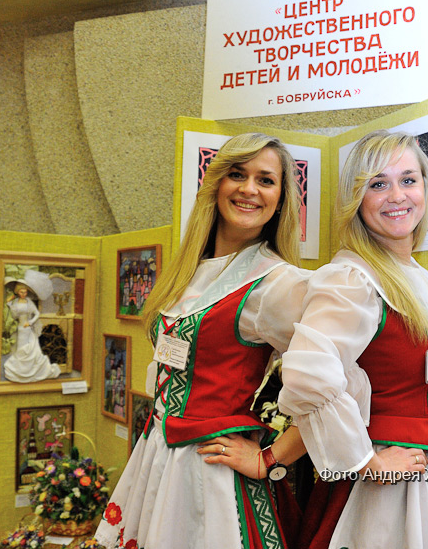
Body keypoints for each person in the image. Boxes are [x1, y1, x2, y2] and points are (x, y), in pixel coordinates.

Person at [279, 131, 428, 549]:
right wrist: (367, 462)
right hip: (389, 488)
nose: (397, 195)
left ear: (425, 189)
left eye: (408, 180)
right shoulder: (352, 279)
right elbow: (306, 376)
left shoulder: (418, 277)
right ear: (356, 198)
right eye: (378, 183)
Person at [94, 133, 310, 549]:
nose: (249, 189)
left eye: (265, 180)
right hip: (159, 457)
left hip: (212, 476)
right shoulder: (187, 270)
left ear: (281, 200)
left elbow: (339, 383)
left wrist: (271, 457)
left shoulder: (279, 283)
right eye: (237, 174)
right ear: (216, 184)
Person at [3, 270, 61, 383]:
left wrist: (30, 322)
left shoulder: (29, 302)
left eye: (25, 292)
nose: (23, 294)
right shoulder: (15, 302)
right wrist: (9, 304)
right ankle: (21, 371)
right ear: (17, 292)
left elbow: (37, 313)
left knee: (28, 349)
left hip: (28, 328)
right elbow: (14, 315)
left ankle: (31, 370)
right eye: (21, 292)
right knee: (21, 349)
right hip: (20, 328)